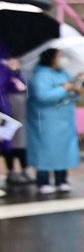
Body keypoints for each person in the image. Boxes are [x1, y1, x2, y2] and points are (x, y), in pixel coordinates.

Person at [26, 48, 81, 195]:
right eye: (58, 56)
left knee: (63, 150)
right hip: (46, 121)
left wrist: (75, 89)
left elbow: (71, 92)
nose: (61, 59)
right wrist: (64, 89)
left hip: (65, 120)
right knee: (45, 150)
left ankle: (62, 179)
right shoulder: (40, 75)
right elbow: (42, 96)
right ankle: (43, 180)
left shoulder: (64, 73)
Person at [2, 50, 34, 187]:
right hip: (6, 115)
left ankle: (24, 169)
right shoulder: (3, 74)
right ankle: (11, 171)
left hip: (21, 118)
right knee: (7, 144)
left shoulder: (22, 76)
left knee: (21, 144)